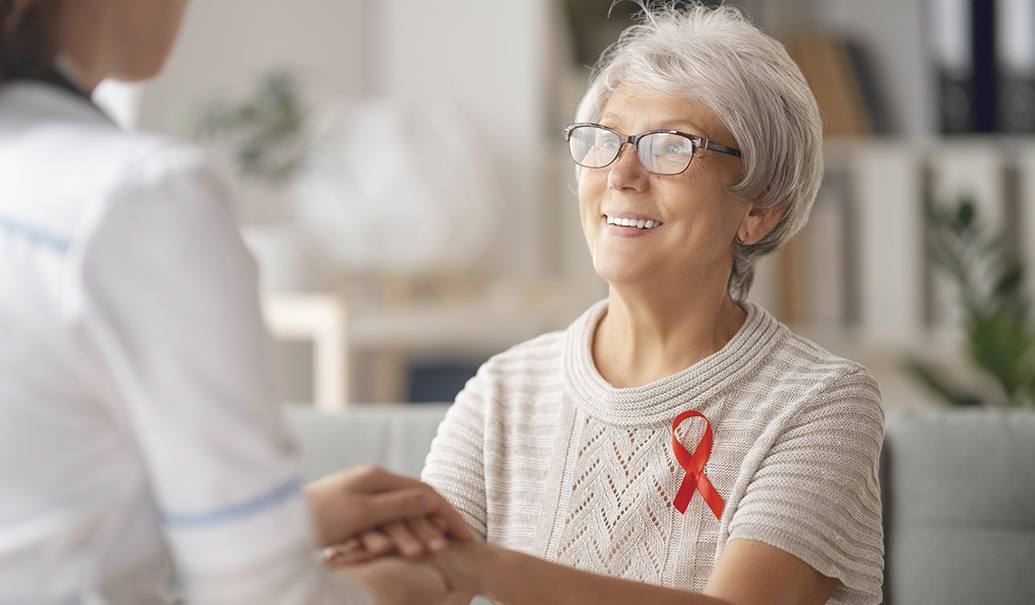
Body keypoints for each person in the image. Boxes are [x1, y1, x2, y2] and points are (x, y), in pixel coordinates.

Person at [0, 1, 470, 603]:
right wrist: (408, 585)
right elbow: (263, 595)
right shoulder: (136, 198)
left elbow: (39, 523)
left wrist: (281, 519)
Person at [418, 3, 885, 604]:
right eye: (604, 139)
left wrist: (494, 571)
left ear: (759, 205)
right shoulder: (502, 391)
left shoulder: (820, 404)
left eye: (671, 147)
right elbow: (418, 583)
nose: (621, 173)